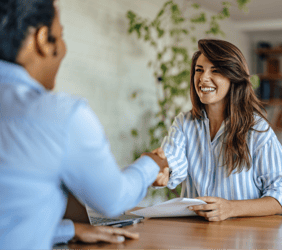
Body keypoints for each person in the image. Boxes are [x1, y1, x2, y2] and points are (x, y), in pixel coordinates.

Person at [0, 0, 168, 249]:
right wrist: (151, 164)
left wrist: (70, 230)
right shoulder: (59, 114)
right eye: (61, 34)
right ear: (43, 39)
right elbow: (114, 200)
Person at [154, 39, 282, 221]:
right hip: (201, 234)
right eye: (199, 70)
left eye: (215, 70)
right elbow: (172, 160)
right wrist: (159, 170)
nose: (203, 78)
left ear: (234, 77)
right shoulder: (184, 123)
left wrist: (231, 208)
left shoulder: (256, 129)